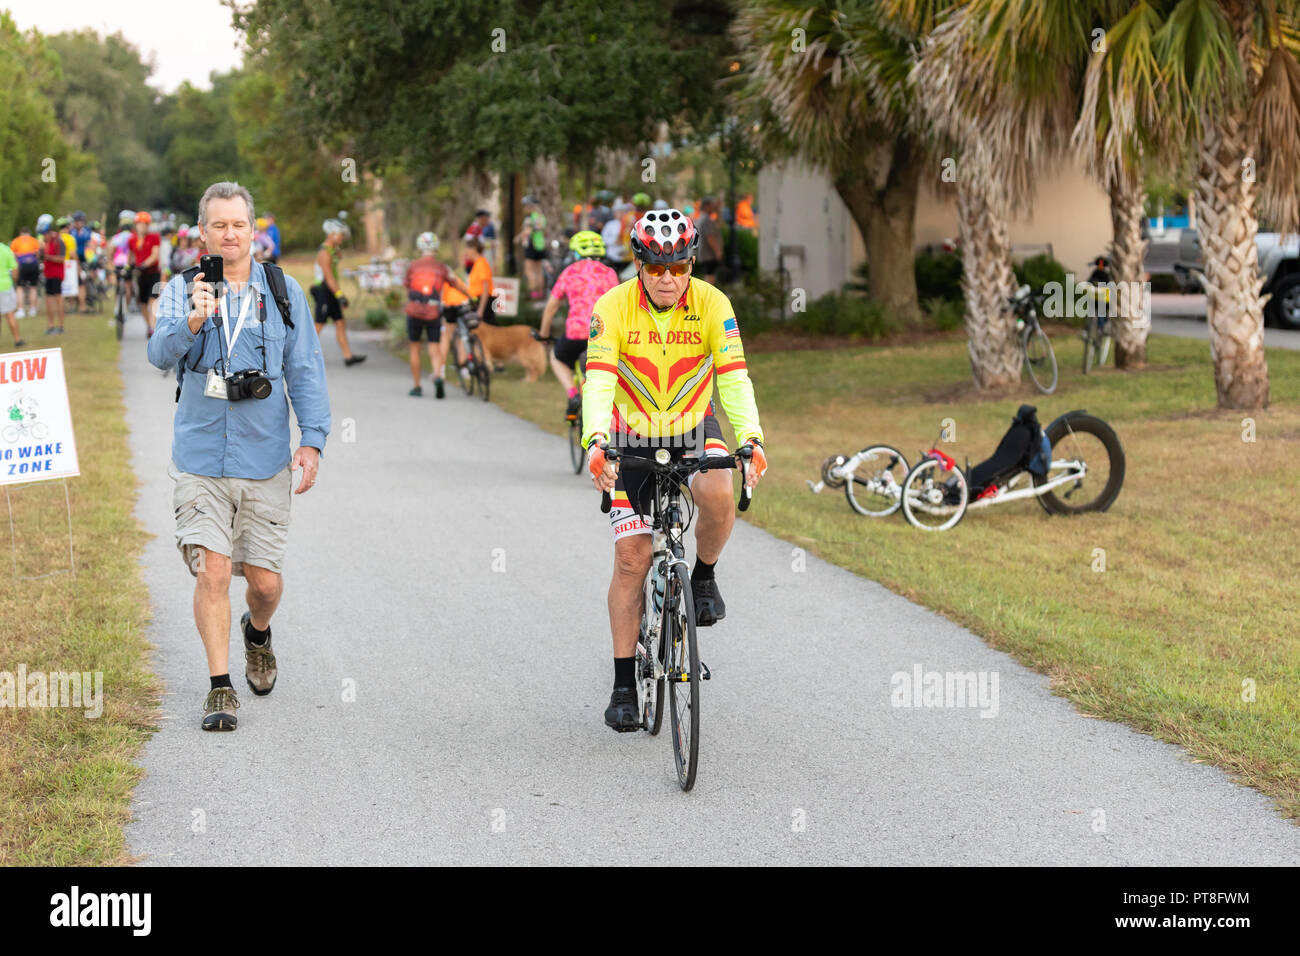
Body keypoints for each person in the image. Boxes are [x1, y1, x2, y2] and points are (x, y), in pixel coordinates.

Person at [146, 181, 331, 732]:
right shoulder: (182, 289)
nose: (229, 234)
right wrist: (194, 321)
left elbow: (305, 367)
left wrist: (312, 440)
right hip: (200, 455)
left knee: (265, 583)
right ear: (202, 233)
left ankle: (258, 633)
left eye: (239, 225)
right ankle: (220, 688)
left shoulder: (282, 291)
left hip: (264, 457)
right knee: (213, 571)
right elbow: (158, 354)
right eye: (218, 225)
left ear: (255, 231)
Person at [581, 207, 767, 732]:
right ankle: (623, 686)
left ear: (691, 262)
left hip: (691, 423)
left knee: (719, 493)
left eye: (679, 267)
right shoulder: (611, 307)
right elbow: (597, 383)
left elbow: (733, 379)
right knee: (631, 559)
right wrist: (594, 440)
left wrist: (751, 438)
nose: (668, 279)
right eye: (657, 268)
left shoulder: (713, 303)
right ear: (639, 262)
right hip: (628, 434)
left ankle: (703, 577)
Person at [538, 230, 618, 418]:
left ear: (574, 253)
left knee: (556, 357)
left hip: (575, 335)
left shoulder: (569, 272)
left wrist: (543, 335)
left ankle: (573, 394)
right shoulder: (609, 273)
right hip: (603, 335)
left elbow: (550, 308)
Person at [402, 232, 469, 398]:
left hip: (414, 311)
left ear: (420, 247)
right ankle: (438, 375)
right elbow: (455, 284)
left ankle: (417, 386)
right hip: (433, 312)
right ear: (436, 248)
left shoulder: (413, 266)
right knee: (434, 347)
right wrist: (471, 296)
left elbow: (407, 286)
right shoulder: (441, 267)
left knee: (415, 348)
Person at [310, 219, 365, 366]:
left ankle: (348, 357)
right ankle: (303, 355)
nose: (342, 238)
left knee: (340, 323)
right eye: (341, 235)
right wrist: (340, 295)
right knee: (319, 325)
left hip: (332, 290)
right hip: (324, 290)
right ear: (332, 234)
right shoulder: (324, 252)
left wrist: (337, 251)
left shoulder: (331, 250)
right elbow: (328, 276)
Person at [129, 211, 161, 337]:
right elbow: (131, 256)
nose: (143, 227)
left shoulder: (154, 237)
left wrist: (144, 264)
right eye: (140, 224)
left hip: (153, 273)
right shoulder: (132, 239)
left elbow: (155, 255)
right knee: (142, 302)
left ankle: (153, 327)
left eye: (145, 224)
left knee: (152, 300)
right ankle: (149, 325)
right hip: (140, 275)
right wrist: (128, 266)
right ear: (136, 225)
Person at [515, 195, 547, 300]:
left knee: (529, 270)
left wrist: (518, 237)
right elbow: (545, 232)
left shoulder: (529, 218)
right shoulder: (541, 217)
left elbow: (527, 231)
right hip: (540, 245)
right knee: (539, 270)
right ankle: (540, 293)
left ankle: (533, 293)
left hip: (531, 246)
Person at [39, 219, 66, 335]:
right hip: (48, 274)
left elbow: (61, 259)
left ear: (48, 232)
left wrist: (47, 257)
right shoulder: (46, 243)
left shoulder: (58, 241)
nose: (43, 237)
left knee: (58, 299)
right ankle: (51, 325)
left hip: (56, 274)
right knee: (48, 300)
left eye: (44, 234)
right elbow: (42, 257)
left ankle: (60, 325)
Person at [11, 227, 40, 320]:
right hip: (33, 264)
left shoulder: (16, 241)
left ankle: (20, 310)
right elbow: (38, 254)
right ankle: (33, 309)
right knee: (33, 287)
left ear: (21, 233)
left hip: (21, 265)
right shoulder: (34, 240)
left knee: (20, 288)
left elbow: (13, 255)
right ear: (29, 233)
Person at [0, 238, 22, 346]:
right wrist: (14, 281)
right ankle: (17, 339)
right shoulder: (5, 249)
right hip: (5, 285)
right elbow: (14, 268)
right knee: (10, 314)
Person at [695, 198, 723, 285]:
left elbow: (719, 225)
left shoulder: (701, 218)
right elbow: (710, 237)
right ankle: (706, 297)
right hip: (709, 253)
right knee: (710, 276)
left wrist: (718, 211)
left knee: (709, 274)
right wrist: (718, 252)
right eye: (712, 205)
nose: (714, 207)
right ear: (707, 206)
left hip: (704, 252)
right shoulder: (706, 220)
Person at [71, 212, 92, 313]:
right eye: (77, 221)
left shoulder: (87, 232)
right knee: (77, 282)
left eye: (81, 221)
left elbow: (90, 244)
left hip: (84, 259)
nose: (79, 223)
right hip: (73, 260)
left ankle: (84, 302)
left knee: (84, 281)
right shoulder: (71, 232)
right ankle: (78, 304)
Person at [57, 218, 79, 313]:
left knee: (60, 287)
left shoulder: (57, 237)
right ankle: (71, 306)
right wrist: (78, 265)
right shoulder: (70, 238)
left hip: (58, 264)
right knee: (70, 287)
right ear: (67, 227)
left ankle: (61, 307)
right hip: (68, 264)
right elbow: (72, 254)